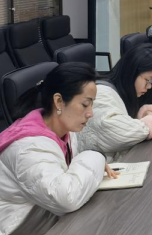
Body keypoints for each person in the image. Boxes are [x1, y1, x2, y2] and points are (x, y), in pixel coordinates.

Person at [0, 63, 114, 235]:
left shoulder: (63, 129)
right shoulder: (29, 148)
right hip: (20, 228)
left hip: (46, 221)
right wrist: (96, 157)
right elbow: (66, 197)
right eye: (85, 104)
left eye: (92, 104)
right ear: (59, 101)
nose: (90, 113)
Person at [77, 44, 152, 159]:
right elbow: (117, 132)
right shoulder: (101, 93)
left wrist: (141, 116)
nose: (149, 86)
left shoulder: (121, 93)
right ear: (131, 72)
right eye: (148, 80)